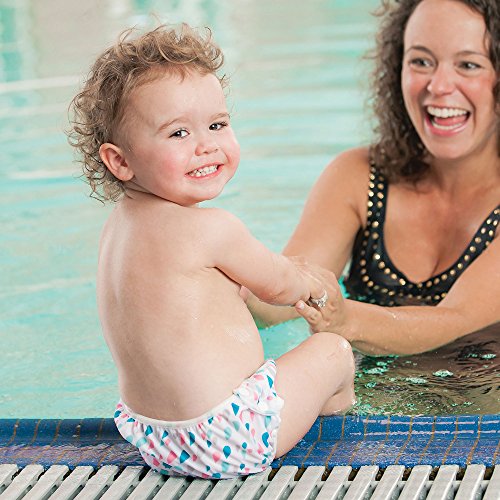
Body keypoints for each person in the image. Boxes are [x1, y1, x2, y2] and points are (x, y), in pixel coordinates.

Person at [68, 24, 355, 479]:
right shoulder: (211, 228)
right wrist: (308, 280)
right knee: (332, 350)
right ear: (120, 160)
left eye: (217, 125)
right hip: (229, 437)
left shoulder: (116, 231)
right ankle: (338, 425)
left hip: (154, 440)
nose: (207, 145)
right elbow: (280, 287)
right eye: (178, 133)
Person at [249, 0, 500, 356]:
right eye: (421, 61)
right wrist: (222, 270)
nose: (439, 85)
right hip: (359, 388)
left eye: (469, 65)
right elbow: (281, 301)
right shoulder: (358, 176)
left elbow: (455, 319)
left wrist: (344, 319)